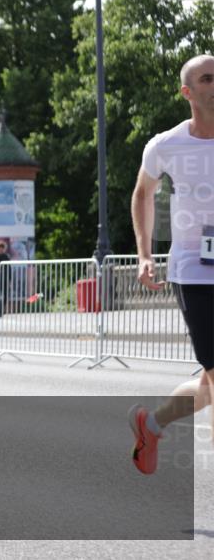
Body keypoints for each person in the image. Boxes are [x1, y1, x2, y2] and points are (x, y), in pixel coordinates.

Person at [128, 53, 214, 474]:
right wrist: (145, 254)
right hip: (196, 273)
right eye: (207, 79)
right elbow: (143, 194)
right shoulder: (166, 145)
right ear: (188, 92)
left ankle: (152, 423)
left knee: (209, 384)